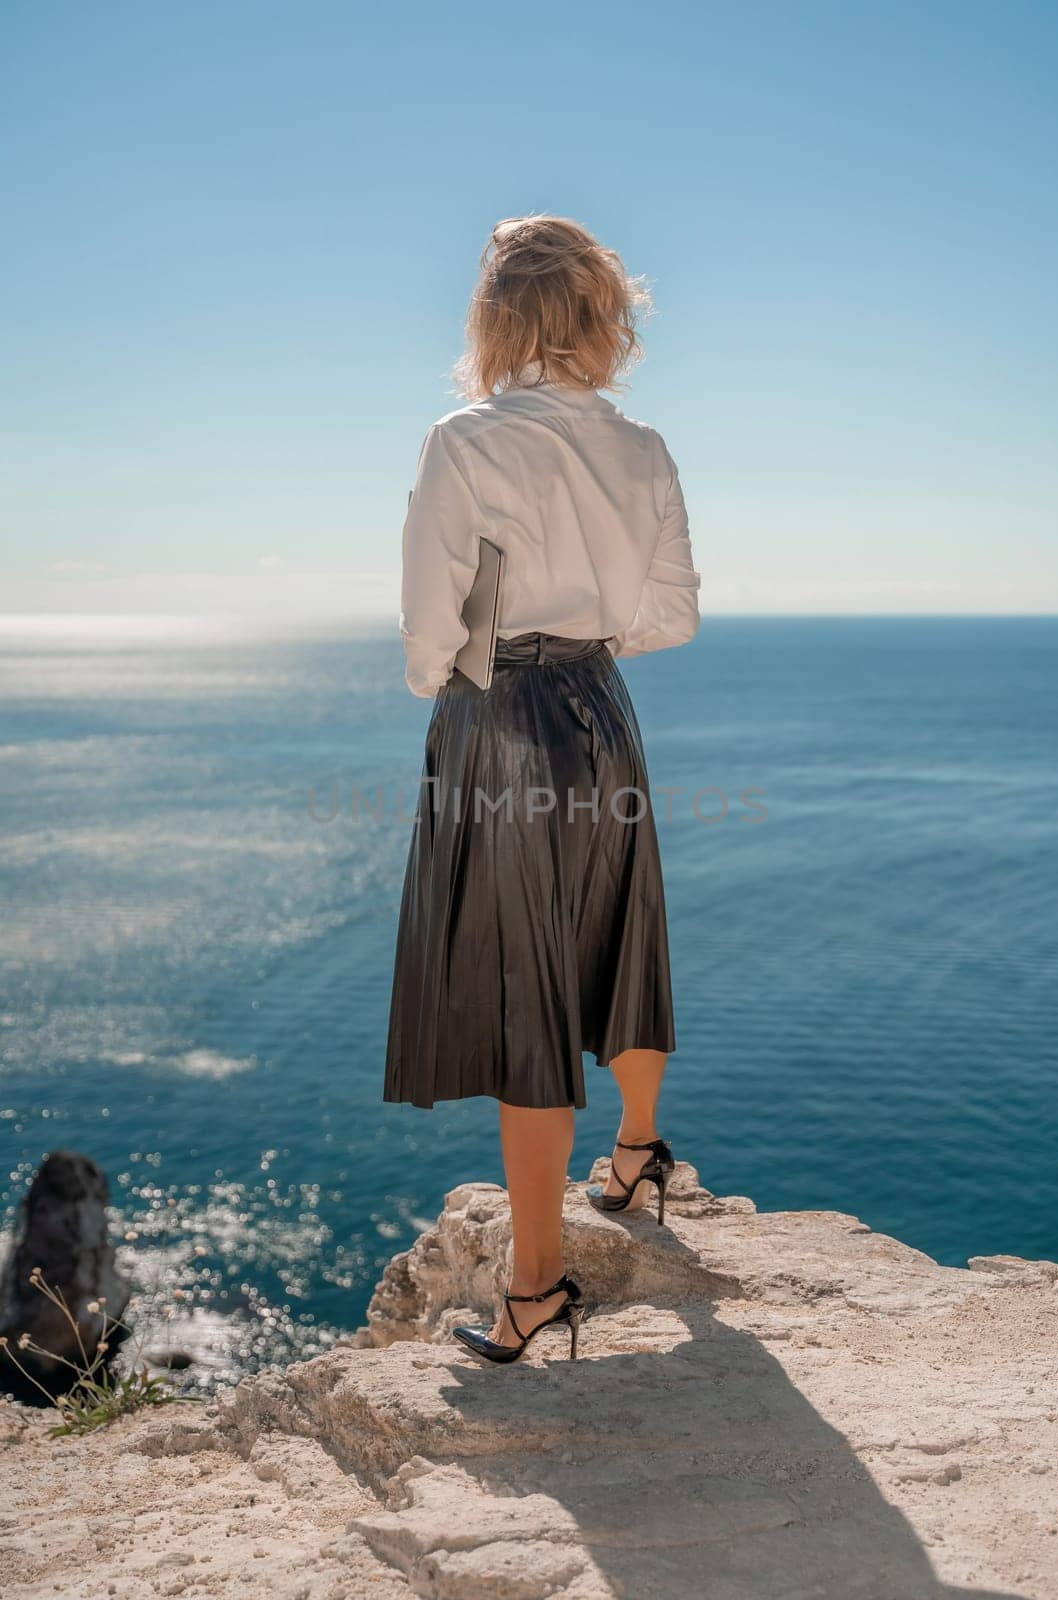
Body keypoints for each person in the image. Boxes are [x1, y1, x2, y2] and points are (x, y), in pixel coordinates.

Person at [383, 214, 701, 1364]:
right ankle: (636, 1152)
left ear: (496, 318)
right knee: (617, 936)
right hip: (602, 710)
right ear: (601, 319)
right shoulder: (642, 446)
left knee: (528, 996)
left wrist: (456, 676)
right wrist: (587, 626)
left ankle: (533, 1284)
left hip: (503, 721)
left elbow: (430, 628)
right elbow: (667, 616)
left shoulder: (464, 439)